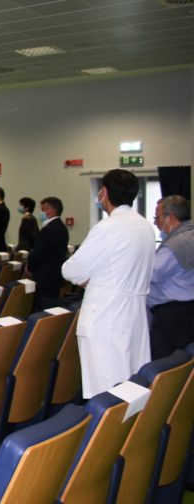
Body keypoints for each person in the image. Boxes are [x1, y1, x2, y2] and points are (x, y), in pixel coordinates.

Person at [62, 169, 156, 398]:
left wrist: (91, 276)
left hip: (107, 316)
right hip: (134, 315)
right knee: (132, 384)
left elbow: (71, 270)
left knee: (106, 391)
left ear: (104, 192)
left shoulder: (107, 228)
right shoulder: (144, 225)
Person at [147, 195, 194, 359]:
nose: (155, 222)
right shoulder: (190, 235)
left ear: (170, 218)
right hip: (187, 311)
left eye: (157, 217)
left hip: (172, 316)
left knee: (165, 365)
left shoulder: (175, 244)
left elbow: (151, 274)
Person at [27, 196, 70, 305]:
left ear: (51, 210)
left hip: (44, 277)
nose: (41, 213)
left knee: (43, 306)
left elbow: (37, 253)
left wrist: (30, 267)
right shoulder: (62, 228)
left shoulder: (48, 229)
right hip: (56, 275)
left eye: (43, 210)